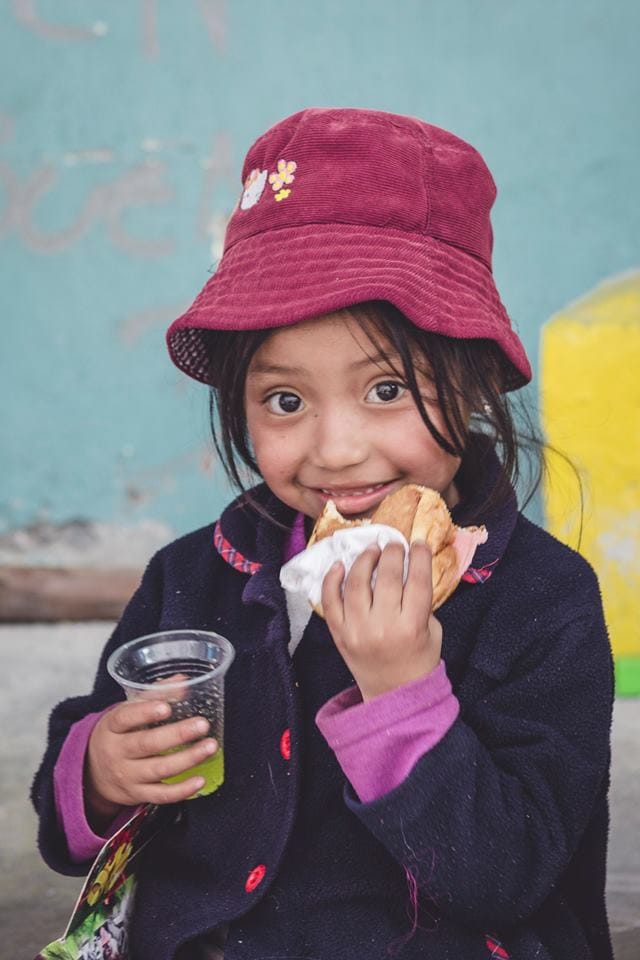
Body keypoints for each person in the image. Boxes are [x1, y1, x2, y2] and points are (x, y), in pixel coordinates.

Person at [32, 108, 615, 960]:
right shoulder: (192, 575)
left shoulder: (543, 600)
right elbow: (66, 824)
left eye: (386, 389)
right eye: (286, 402)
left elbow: (509, 874)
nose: (337, 451)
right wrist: (99, 773)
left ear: (478, 376)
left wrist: (402, 688)